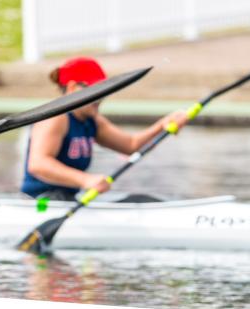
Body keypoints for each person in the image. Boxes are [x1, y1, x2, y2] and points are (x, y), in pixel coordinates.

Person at [21, 56, 188, 201]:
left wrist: (162, 124)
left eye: (104, 91)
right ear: (72, 88)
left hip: (67, 200)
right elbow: (38, 164)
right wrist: (86, 180)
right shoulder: (56, 118)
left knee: (140, 200)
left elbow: (131, 145)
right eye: (96, 91)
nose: (101, 98)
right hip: (39, 201)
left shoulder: (92, 120)